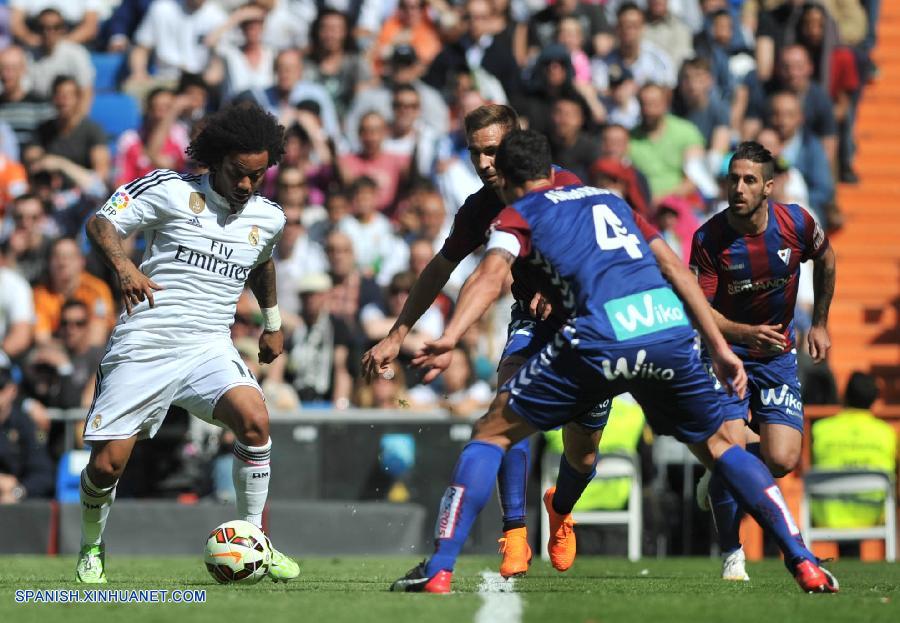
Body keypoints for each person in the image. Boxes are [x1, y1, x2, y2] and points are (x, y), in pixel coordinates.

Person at [389, 129, 837, 594]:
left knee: (491, 434)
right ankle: (804, 562)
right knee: (723, 447)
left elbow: (487, 276)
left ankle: (440, 567)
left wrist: (450, 336)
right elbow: (672, 269)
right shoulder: (611, 200)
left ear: (507, 178)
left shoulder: (518, 212)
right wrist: (719, 347)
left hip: (603, 332)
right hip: (666, 327)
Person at [363, 104, 726, 579]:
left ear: (515, 146)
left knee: (583, 454)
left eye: (493, 151)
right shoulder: (480, 206)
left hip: (593, 329)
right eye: (476, 153)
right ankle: (515, 532)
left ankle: (561, 508)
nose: (485, 163)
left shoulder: (567, 188)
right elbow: (444, 267)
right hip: (532, 325)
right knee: (506, 401)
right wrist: (399, 333)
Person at [74, 102, 299, 583]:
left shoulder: (268, 216)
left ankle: (255, 538)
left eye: (257, 177)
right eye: (239, 173)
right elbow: (101, 223)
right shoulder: (169, 189)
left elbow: (261, 261)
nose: (246, 186)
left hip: (208, 346)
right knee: (108, 464)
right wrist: (125, 266)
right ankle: (91, 547)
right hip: (146, 341)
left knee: (255, 420)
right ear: (216, 160)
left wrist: (272, 322)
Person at [690, 141, 837, 582]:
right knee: (732, 449)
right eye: (734, 178)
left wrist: (821, 323)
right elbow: (702, 312)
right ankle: (732, 553)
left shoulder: (796, 223)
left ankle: (720, 471)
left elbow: (826, 258)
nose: (739, 187)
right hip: (726, 355)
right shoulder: (710, 237)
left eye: (749, 180)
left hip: (775, 357)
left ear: (768, 187)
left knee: (783, 458)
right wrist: (742, 333)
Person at [811, 372, 897, 529]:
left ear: (845, 395)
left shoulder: (819, 429)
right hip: (873, 514)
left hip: (828, 514)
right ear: (874, 400)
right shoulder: (887, 433)